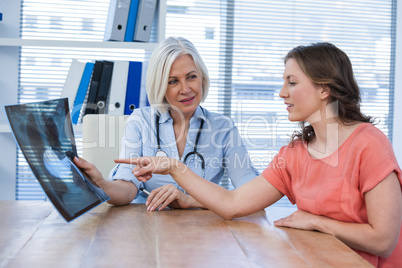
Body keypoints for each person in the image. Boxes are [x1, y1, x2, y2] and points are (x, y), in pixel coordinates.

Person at [107, 42, 402, 267]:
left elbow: (384, 241)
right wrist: (173, 167)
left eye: (292, 82)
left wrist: (317, 222)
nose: (281, 93)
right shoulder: (295, 154)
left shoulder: (369, 143)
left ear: (324, 89)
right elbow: (234, 203)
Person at [75, 36, 259, 211]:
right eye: (173, 81)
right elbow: (127, 188)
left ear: (202, 78)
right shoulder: (140, 122)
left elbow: (250, 193)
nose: (185, 89)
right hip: (147, 225)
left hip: (205, 229)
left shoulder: (223, 128)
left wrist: (189, 200)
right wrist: (100, 183)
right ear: (160, 87)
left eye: (191, 77)